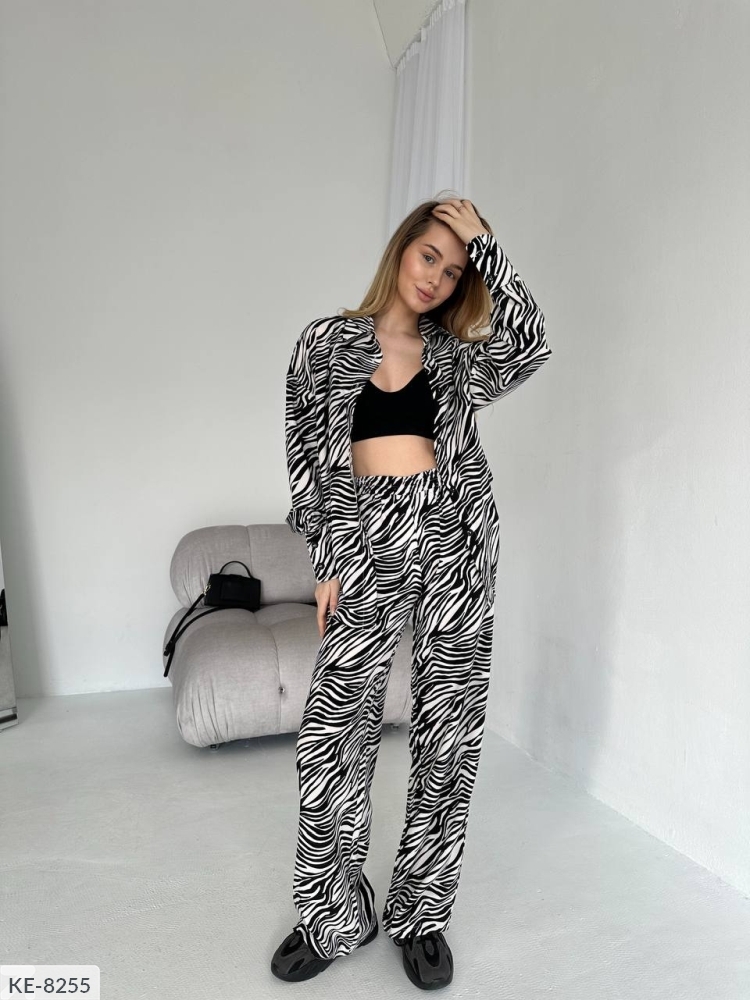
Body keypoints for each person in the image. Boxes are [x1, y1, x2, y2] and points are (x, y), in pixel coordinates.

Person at [271, 197, 552, 989]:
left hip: (457, 535)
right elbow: (305, 460)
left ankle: (421, 913)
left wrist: (487, 248)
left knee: (449, 731)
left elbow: (531, 343)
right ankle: (334, 914)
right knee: (333, 734)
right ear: (402, 249)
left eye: (454, 270)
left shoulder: (458, 356)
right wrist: (327, 558)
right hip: (366, 537)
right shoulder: (325, 342)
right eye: (430, 255)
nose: (437, 277)